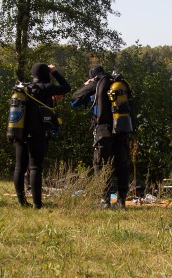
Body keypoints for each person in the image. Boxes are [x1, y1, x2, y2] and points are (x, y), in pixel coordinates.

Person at [71, 65, 134, 207]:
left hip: (103, 131)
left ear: (92, 76)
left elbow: (74, 100)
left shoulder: (97, 83)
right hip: (122, 129)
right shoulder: (120, 84)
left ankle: (105, 200)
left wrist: (85, 85)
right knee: (121, 165)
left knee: (102, 165)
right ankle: (121, 200)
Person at [13, 63, 71, 208]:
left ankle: (21, 201)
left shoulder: (25, 88)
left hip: (19, 132)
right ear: (45, 73)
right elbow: (66, 87)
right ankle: (37, 204)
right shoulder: (45, 88)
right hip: (36, 133)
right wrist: (55, 72)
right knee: (35, 168)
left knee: (20, 167)